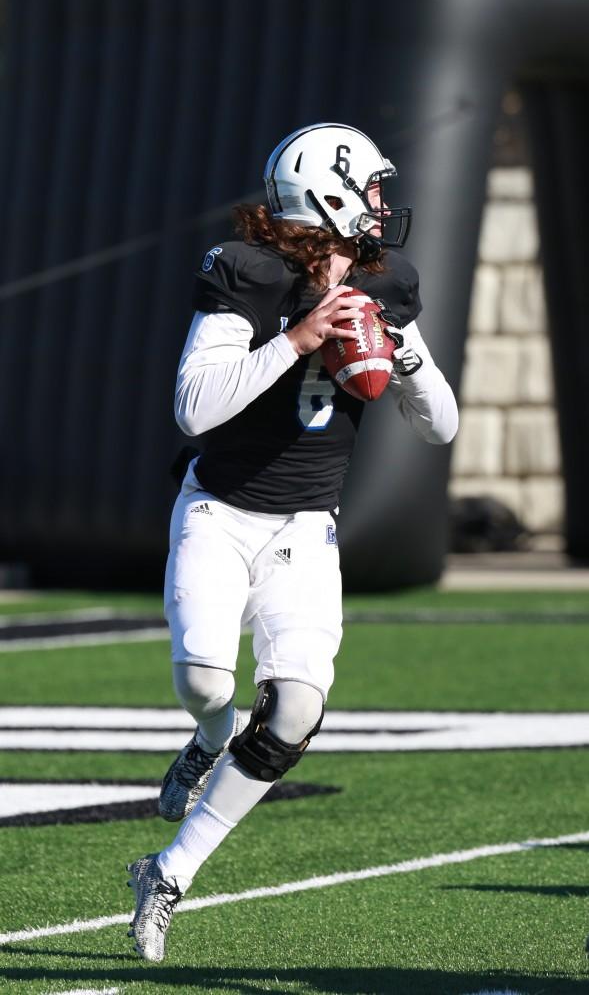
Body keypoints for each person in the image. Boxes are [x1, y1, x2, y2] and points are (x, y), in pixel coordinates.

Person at [126, 122, 459, 961]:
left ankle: (167, 873)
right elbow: (194, 408)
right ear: (332, 191)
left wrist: (400, 356)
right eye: (372, 188)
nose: (383, 205)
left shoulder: (388, 283)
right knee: (207, 683)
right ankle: (206, 741)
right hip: (221, 510)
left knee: (298, 707)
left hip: (307, 527)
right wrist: (301, 338)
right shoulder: (251, 273)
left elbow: (440, 426)